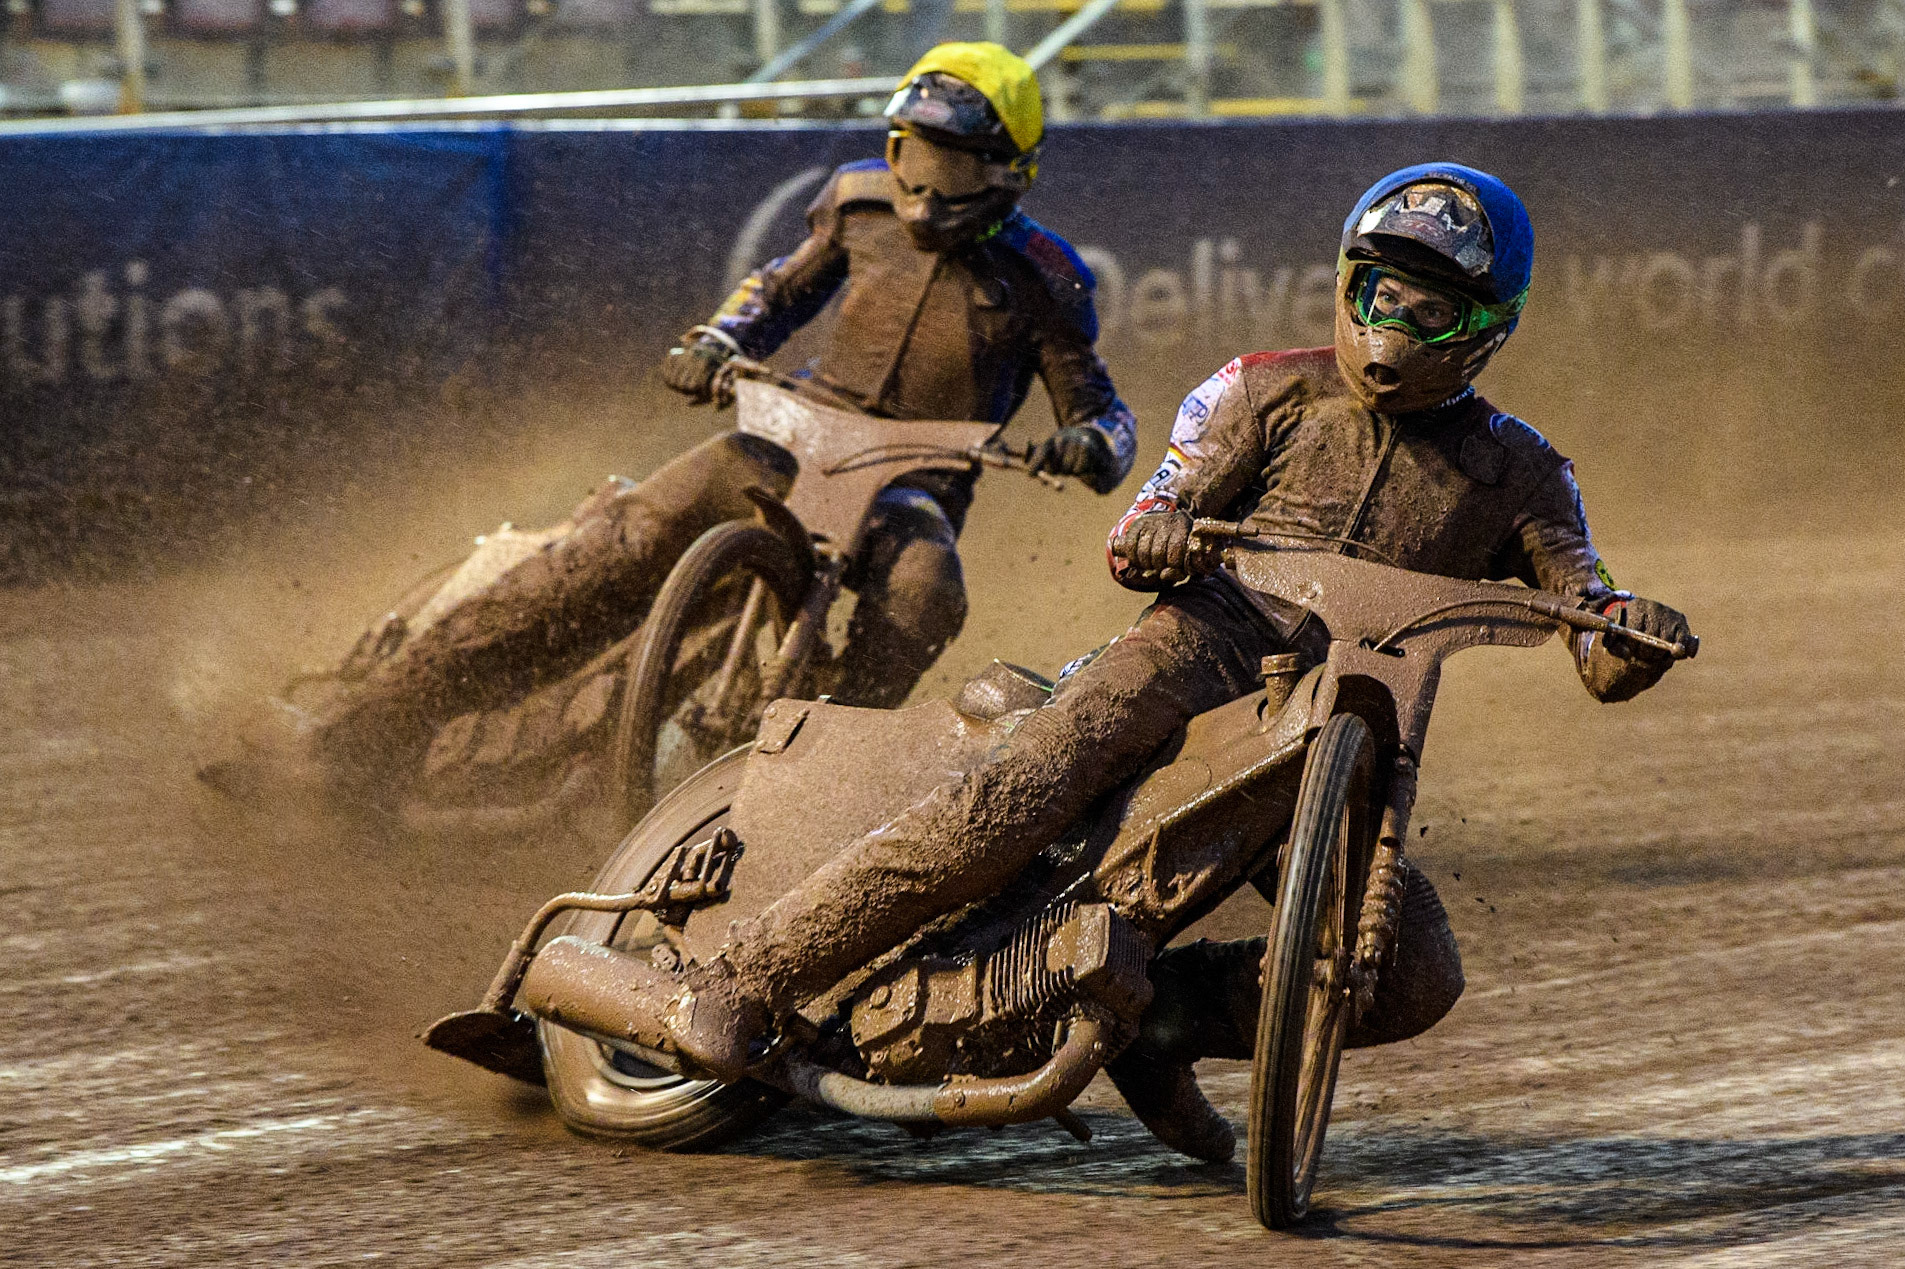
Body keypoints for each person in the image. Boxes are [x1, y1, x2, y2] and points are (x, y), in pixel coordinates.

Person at [577, 163, 1697, 1161]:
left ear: (1489, 326)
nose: (1392, 326)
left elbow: (1591, 626)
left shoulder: (1527, 475)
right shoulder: (1266, 387)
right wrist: (1157, 530)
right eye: (1376, 295)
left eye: (1428, 307)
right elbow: (1151, 513)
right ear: (1346, 287)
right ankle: (740, 980)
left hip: (1344, 735)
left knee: (1414, 977)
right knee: (1007, 801)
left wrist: (1629, 631)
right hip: (1197, 646)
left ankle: (1160, 1016)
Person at [307, 42, 1138, 782]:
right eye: (911, 155)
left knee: (925, 593)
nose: (922, 184)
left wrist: (1087, 447)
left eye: (951, 167)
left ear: (1006, 173)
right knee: (610, 549)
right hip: (782, 439)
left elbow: (1102, 415)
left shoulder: (1046, 277)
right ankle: (367, 729)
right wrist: (714, 341)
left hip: (910, 489)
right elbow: (772, 295)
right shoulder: (856, 200)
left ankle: (814, 770)